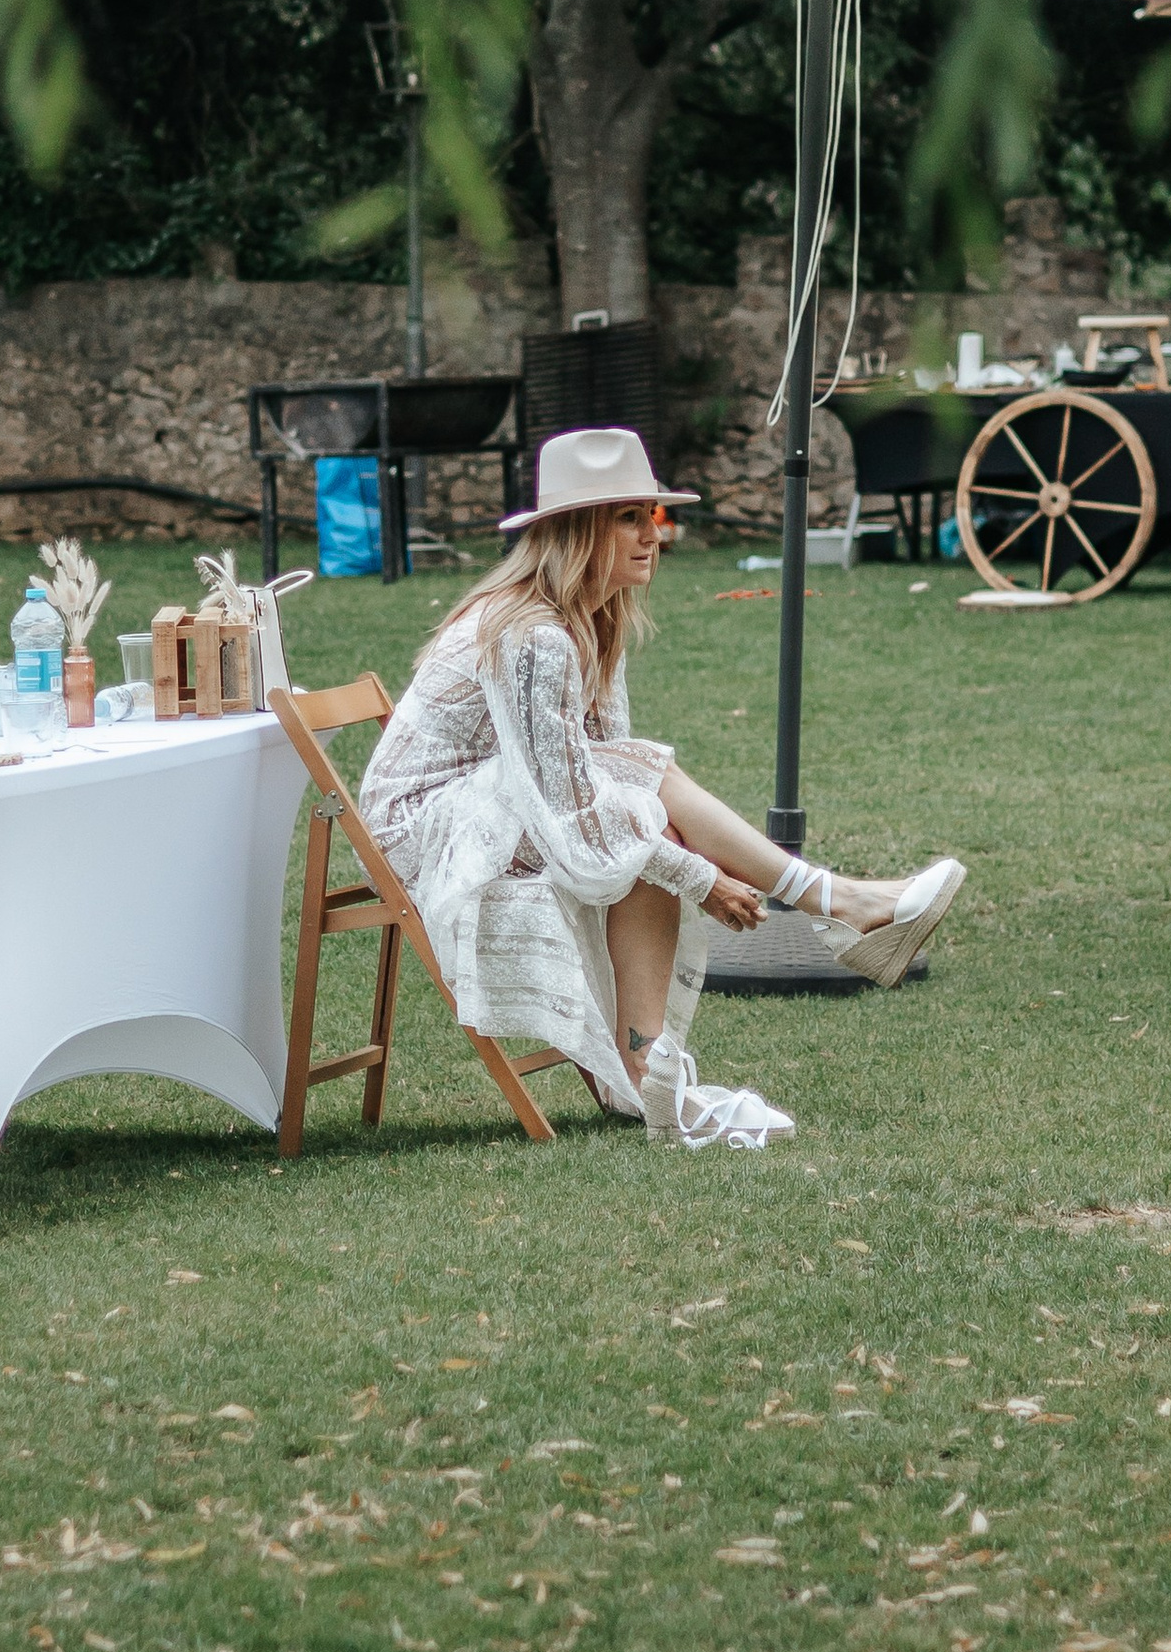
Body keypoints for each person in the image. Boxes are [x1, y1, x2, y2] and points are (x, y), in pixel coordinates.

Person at [359, 424, 965, 1147]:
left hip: (511, 802)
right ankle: (834, 907)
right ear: (578, 531)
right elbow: (568, 807)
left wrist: (680, 857)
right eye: (628, 518)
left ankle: (653, 1074)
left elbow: (606, 768)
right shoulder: (531, 636)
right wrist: (697, 875)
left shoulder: (591, 621)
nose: (653, 534)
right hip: (426, 830)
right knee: (647, 820)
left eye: (651, 515)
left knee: (647, 807)